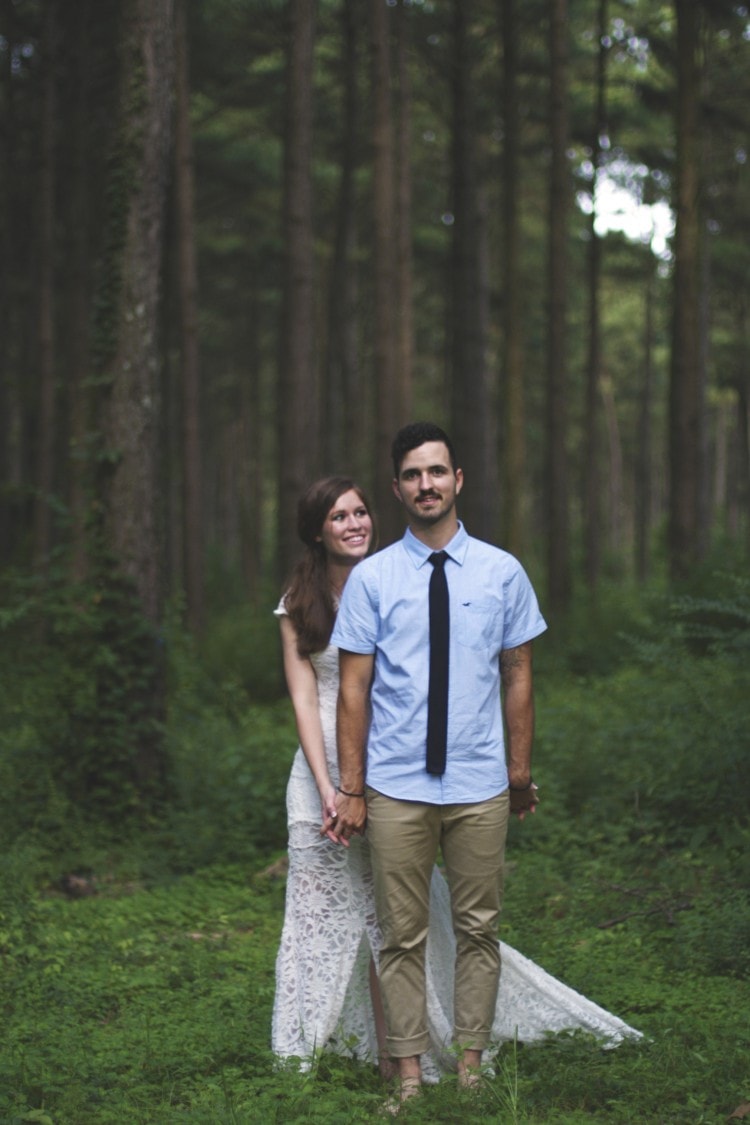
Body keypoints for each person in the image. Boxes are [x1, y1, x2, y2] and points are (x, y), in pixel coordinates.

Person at [273, 467, 640, 1088]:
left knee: (394, 919)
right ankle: (300, 1052)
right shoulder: (301, 602)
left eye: (359, 512)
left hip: (392, 766)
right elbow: (308, 700)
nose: (353, 523)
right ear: (316, 532)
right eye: (338, 516)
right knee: (321, 919)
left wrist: (503, 769)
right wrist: (332, 783)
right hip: (326, 770)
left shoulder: (394, 578)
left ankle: (405, 1055)